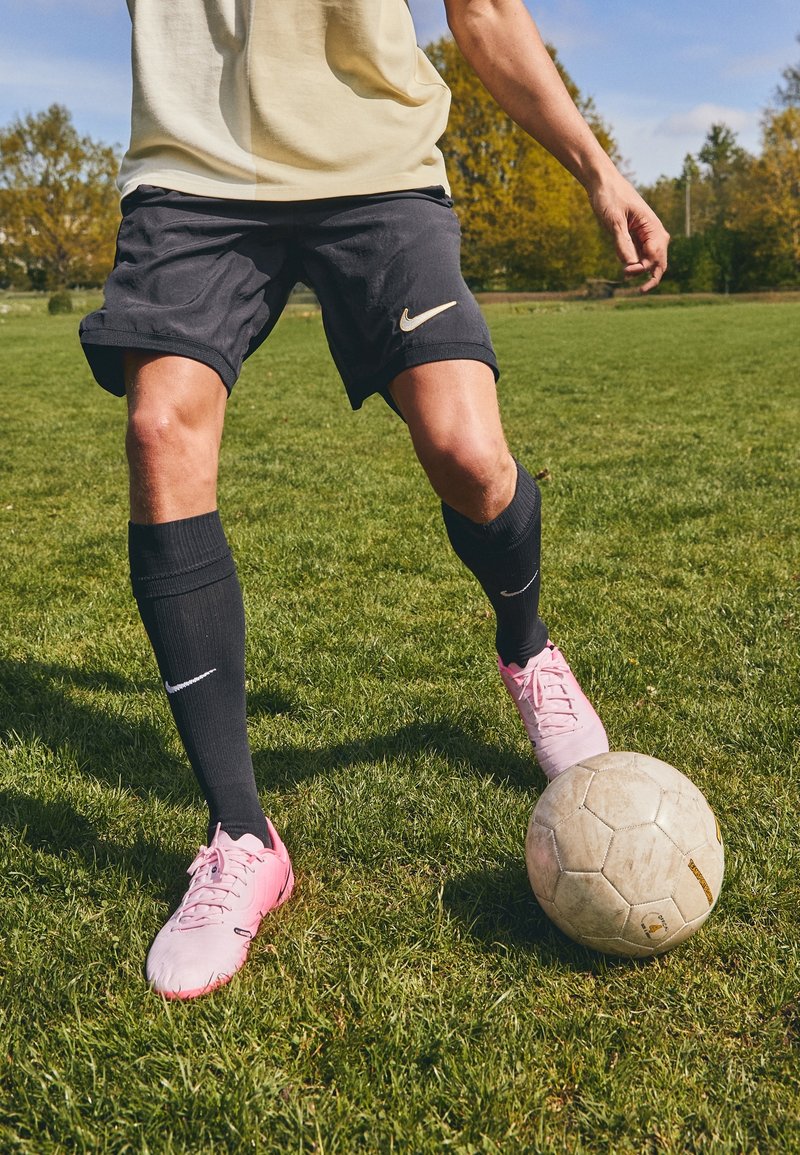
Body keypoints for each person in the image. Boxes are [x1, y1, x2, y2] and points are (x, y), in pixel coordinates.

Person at [80, 0, 669, 1000]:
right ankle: (239, 837)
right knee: (160, 429)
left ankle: (524, 649)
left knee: (465, 450)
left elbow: (481, 12)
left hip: (376, 171)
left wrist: (595, 168)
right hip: (192, 172)